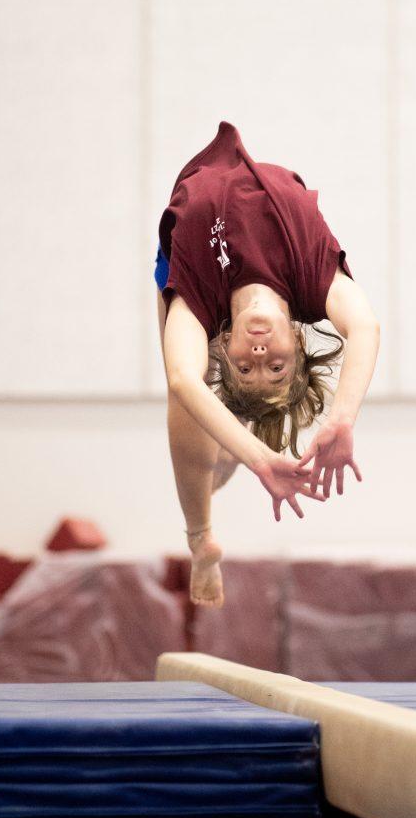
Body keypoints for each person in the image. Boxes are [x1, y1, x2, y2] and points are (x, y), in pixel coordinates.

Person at [155, 122, 380, 607]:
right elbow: (365, 327)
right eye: (277, 369)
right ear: (299, 345)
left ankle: (200, 535)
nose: (259, 358)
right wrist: (341, 419)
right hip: (244, 205)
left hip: (185, 254)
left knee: (184, 393)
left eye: (245, 369)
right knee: (195, 404)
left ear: (227, 347)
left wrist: (261, 460)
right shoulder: (312, 280)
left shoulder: (201, 301)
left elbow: (182, 380)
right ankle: (228, 456)